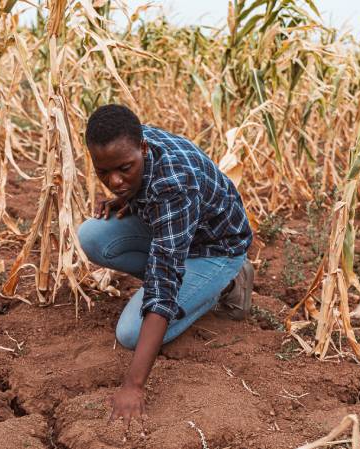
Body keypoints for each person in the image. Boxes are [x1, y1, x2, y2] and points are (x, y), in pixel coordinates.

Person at [77, 104, 254, 428]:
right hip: (179, 230)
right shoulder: (134, 144)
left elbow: (163, 281)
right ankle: (198, 285)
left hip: (214, 248)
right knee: (92, 235)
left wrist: (133, 385)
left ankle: (226, 283)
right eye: (104, 172)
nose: (114, 181)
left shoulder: (174, 184)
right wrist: (128, 195)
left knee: (131, 333)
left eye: (124, 169)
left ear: (143, 148)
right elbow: (142, 185)